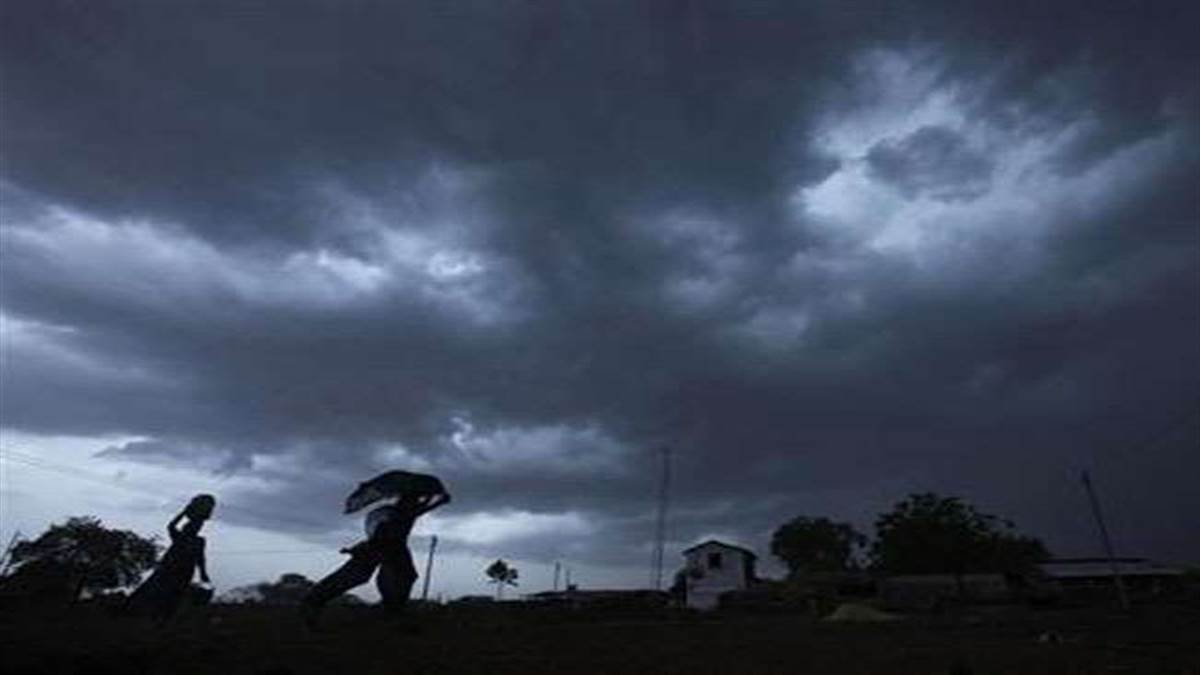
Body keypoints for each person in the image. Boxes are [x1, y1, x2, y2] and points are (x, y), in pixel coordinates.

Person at [303, 489, 450, 628]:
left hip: (387, 550)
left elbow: (418, 510)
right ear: (407, 501)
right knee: (360, 577)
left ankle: (392, 612)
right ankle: (314, 601)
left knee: (398, 578)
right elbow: (414, 512)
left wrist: (434, 500)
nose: (417, 503)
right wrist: (435, 500)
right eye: (415, 500)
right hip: (385, 549)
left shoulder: (397, 512)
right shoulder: (397, 514)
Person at [127, 494, 215, 623]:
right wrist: (184, 512)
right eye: (191, 525)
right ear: (185, 527)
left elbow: (200, 558)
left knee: (175, 594)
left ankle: (163, 618)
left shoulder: (199, 541)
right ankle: (139, 613)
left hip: (185, 570)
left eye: (197, 526)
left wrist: (203, 573)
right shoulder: (180, 536)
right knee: (156, 588)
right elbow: (171, 525)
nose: (194, 527)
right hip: (169, 566)